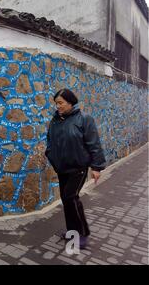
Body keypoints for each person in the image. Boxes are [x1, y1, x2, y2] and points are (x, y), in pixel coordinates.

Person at [45, 89, 106, 249]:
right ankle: (72, 232)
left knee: (71, 197)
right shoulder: (55, 121)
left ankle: (83, 233)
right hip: (62, 168)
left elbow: (94, 144)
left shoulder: (84, 119)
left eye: (61, 103)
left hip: (78, 167)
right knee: (66, 200)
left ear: (70, 102)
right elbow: (50, 140)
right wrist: (51, 155)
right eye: (56, 103)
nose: (57, 106)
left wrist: (96, 167)